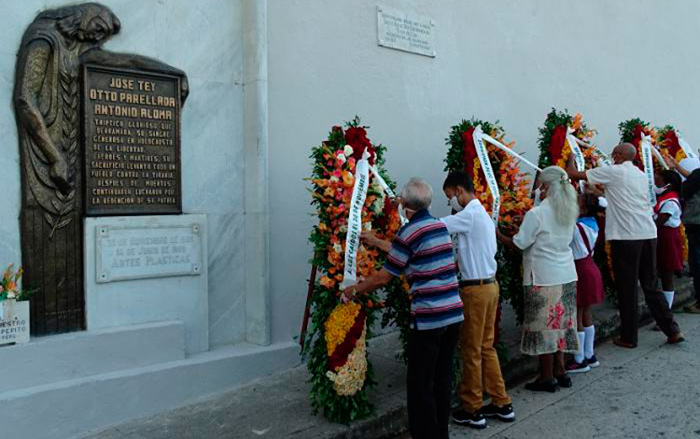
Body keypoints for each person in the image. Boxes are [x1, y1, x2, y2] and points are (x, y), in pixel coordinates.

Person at [344, 177, 463, 439]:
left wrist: (354, 290)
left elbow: (384, 277)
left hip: (430, 318)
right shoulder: (438, 226)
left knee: (420, 385)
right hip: (453, 314)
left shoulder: (409, 232)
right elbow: (410, 253)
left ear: (406, 206)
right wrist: (376, 242)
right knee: (442, 380)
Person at [567, 144, 684, 348]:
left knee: (627, 287)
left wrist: (570, 157)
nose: (612, 156)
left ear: (619, 156)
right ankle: (672, 330)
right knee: (650, 285)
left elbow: (573, 174)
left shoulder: (614, 171)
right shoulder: (639, 174)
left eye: (614, 153)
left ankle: (629, 337)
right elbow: (616, 193)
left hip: (626, 237)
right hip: (648, 233)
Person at [439, 171, 514, 429]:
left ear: (459, 190)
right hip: (490, 286)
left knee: (471, 350)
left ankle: (472, 409)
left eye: (450, 197)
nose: (450, 203)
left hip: (475, 291)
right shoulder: (480, 214)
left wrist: (408, 213)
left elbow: (436, 226)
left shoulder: (469, 215)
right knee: (486, 347)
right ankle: (501, 402)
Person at [497, 166, 580, 392]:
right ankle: (560, 370)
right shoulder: (569, 210)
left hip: (542, 276)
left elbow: (519, 244)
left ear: (544, 187)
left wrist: (498, 234)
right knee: (561, 325)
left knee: (544, 327)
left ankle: (546, 376)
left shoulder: (537, 213)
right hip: (566, 274)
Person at [566, 193, 605, 373]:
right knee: (586, 312)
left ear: (582, 209)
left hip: (580, 270)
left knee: (577, 314)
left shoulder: (576, 227)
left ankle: (579, 358)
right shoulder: (592, 224)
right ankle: (590, 354)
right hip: (590, 267)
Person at [666, 156, 700, 314]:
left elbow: (685, 189)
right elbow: (693, 178)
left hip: (697, 222)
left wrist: (670, 178)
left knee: (697, 262)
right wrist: (677, 168)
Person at [653, 170, 684, 310]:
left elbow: (659, 222)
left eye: (658, 180)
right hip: (663, 237)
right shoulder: (664, 198)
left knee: (667, 275)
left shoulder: (670, 201)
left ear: (668, 185)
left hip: (667, 239)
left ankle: (666, 311)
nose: (655, 183)